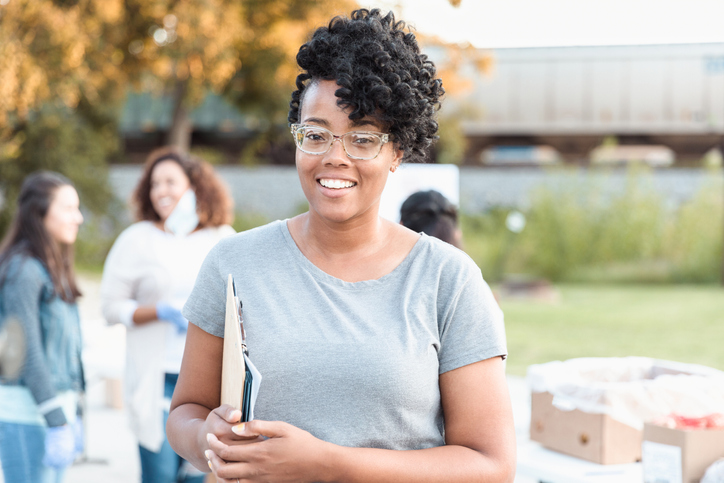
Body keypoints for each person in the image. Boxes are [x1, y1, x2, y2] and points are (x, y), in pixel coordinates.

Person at [167, 8, 516, 482]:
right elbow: (186, 411)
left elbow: (491, 466)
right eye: (316, 134)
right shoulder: (234, 263)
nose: (335, 156)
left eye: (363, 138)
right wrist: (208, 439)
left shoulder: (448, 281)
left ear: (397, 151)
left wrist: (327, 463)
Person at [100, 147, 235, 483]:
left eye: (170, 182)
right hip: (157, 377)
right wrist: (156, 312)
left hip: (207, 380)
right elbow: (110, 307)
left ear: (194, 186)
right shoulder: (136, 241)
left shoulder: (222, 240)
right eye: (154, 184)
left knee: (197, 474)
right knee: (158, 475)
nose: (161, 190)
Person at [0, 171, 85, 483]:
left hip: (53, 415)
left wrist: (73, 413)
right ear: (39, 213)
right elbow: (26, 351)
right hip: (27, 415)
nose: (78, 218)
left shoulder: (53, 269)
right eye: (68, 208)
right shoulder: (23, 270)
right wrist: (56, 420)